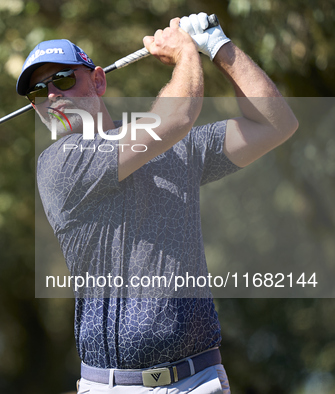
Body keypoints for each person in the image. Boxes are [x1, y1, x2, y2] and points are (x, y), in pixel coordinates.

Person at [16, 13, 298, 393]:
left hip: (199, 382)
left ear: (98, 80)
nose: (52, 96)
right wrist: (186, 53)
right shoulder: (59, 164)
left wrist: (217, 45)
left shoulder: (180, 150)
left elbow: (276, 124)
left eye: (63, 80)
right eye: (39, 92)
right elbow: (176, 117)